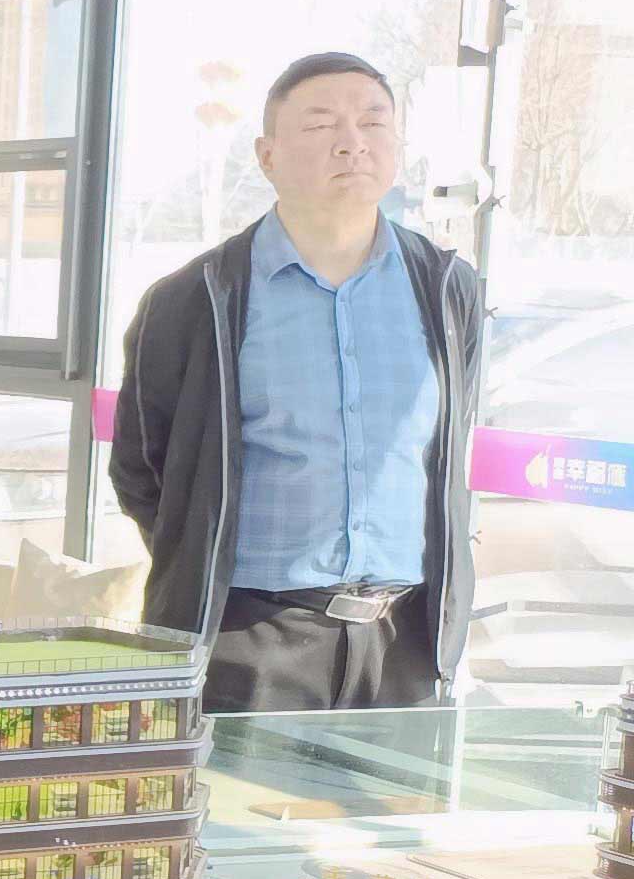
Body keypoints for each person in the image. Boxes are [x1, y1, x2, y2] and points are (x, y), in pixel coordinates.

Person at [111, 51, 482, 711]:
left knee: (402, 788)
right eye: (320, 124)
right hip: (248, 638)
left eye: (374, 122)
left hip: (406, 645)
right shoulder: (196, 297)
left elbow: (448, 451)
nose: (352, 142)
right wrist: (203, 557)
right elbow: (144, 472)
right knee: (227, 786)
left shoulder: (448, 289)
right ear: (267, 155)